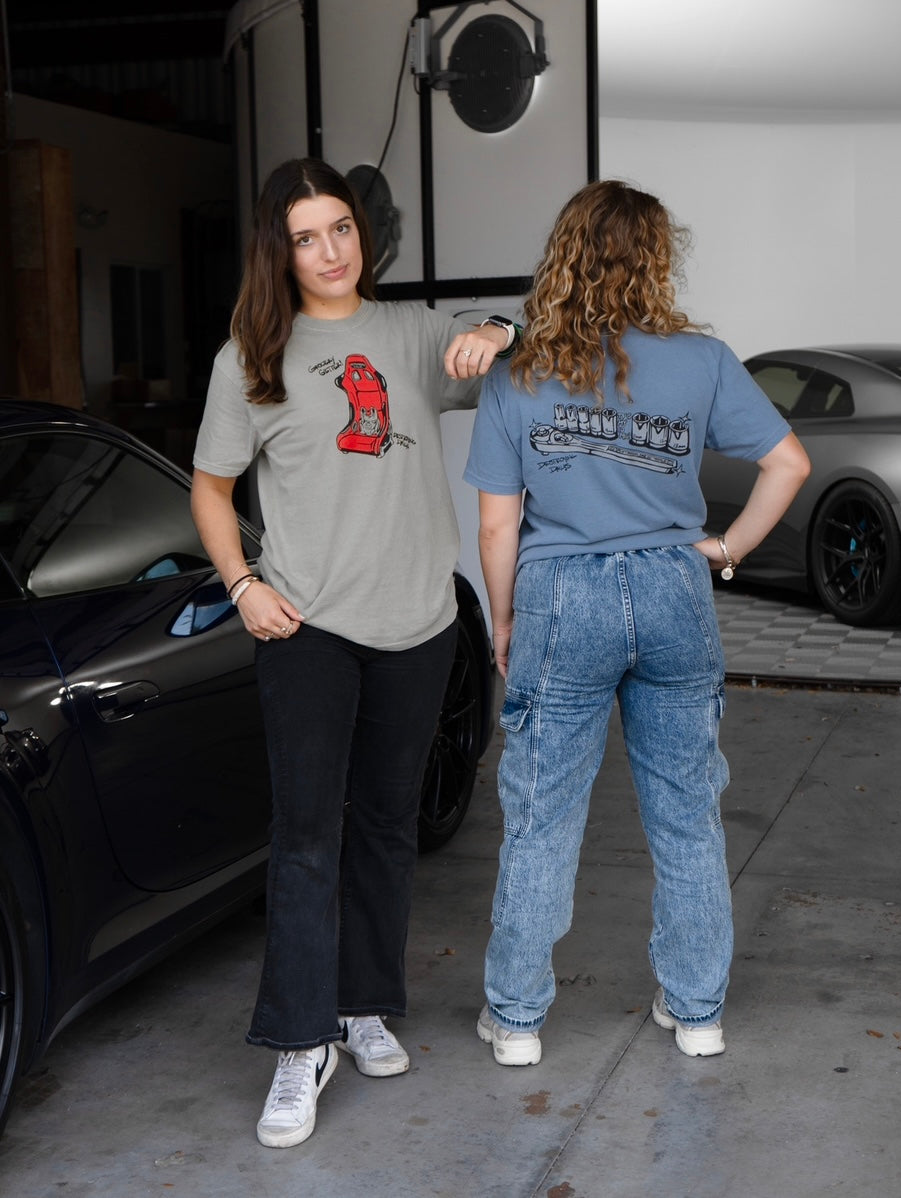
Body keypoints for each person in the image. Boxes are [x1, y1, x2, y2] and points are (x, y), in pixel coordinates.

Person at [190, 158, 517, 1148]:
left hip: (416, 624)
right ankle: (301, 1043)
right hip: (309, 628)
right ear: (278, 250)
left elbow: (529, 347)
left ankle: (365, 1002)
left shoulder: (415, 334)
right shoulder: (251, 353)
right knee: (305, 835)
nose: (330, 250)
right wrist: (243, 584)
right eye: (307, 236)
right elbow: (210, 488)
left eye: (340, 229)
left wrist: (499, 329)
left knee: (385, 825)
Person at [463, 180, 810, 1066]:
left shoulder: (519, 370)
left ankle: (517, 1020)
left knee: (541, 817)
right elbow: (789, 462)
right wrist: (724, 549)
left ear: (564, 253)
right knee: (689, 814)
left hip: (560, 594)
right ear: (657, 258)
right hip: (672, 590)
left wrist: (505, 623)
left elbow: (498, 526)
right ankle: (697, 1013)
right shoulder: (702, 361)